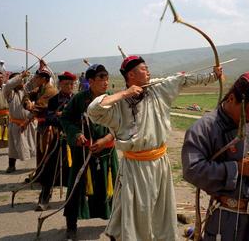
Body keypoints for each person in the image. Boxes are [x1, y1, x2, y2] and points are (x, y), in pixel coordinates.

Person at [87, 55, 223, 241]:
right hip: (136, 166)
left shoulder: (158, 88)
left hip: (160, 162)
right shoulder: (118, 104)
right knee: (139, 211)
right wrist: (125, 93)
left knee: (162, 210)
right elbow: (94, 109)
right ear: (131, 76)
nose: (148, 71)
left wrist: (212, 76)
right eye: (144, 69)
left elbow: (183, 78)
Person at [181, 65, 249, 241]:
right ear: (231, 98)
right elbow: (192, 169)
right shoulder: (203, 128)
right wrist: (237, 169)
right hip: (228, 218)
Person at [60, 64, 119, 240]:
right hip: (83, 153)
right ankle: (71, 225)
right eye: (101, 78)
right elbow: (65, 118)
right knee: (76, 187)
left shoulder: (114, 99)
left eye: (107, 77)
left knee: (114, 189)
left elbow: (122, 124)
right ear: (90, 81)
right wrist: (76, 133)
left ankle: (116, 225)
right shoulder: (79, 99)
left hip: (107, 154)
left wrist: (106, 139)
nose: (106, 81)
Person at [35, 71, 76, 211]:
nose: (69, 86)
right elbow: (49, 119)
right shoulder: (53, 100)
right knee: (50, 169)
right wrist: (61, 117)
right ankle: (44, 199)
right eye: (66, 84)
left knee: (76, 170)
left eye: (71, 84)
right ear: (60, 85)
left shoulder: (77, 99)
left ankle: (75, 200)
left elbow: (79, 119)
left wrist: (62, 116)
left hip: (74, 141)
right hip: (58, 140)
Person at [23, 61, 58, 173]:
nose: (34, 80)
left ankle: (47, 176)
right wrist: (27, 101)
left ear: (43, 79)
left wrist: (26, 121)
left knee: (47, 151)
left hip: (50, 127)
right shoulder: (40, 89)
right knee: (41, 152)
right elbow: (27, 94)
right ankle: (41, 174)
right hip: (42, 126)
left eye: (37, 77)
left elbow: (39, 107)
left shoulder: (50, 90)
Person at [3, 71, 37, 173]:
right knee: (13, 147)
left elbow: (35, 81)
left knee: (34, 145)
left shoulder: (26, 90)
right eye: (18, 80)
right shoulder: (9, 93)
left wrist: (42, 67)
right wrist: (21, 75)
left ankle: (37, 166)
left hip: (29, 123)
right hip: (16, 124)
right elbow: (8, 85)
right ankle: (11, 166)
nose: (21, 82)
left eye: (21, 80)